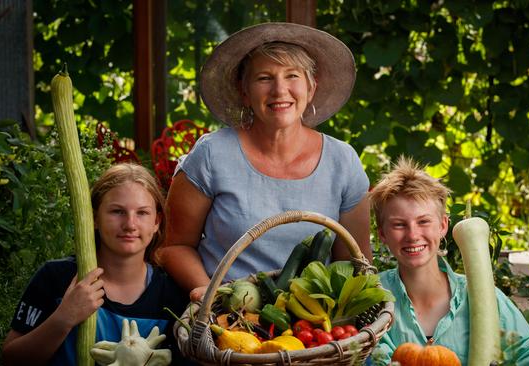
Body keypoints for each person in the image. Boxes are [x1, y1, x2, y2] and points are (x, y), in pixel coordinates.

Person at [156, 22, 372, 301]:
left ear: (311, 87)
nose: (280, 90)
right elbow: (174, 247)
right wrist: (212, 297)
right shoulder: (212, 154)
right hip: (227, 318)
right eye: (264, 78)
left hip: (312, 325)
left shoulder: (343, 162)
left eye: (292, 76)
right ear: (244, 91)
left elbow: (355, 264)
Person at [368, 157, 529, 365]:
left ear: (443, 226)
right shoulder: (373, 298)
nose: (413, 235)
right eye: (399, 225)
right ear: (382, 234)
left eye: (423, 221)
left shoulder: (479, 295)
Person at [2, 163, 189, 365]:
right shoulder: (56, 278)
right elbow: (11, 359)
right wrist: (63, 318)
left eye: (142, 213)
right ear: (94, 218)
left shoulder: (171, 295)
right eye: (117, 211)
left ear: (156, 222)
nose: (130, 224)